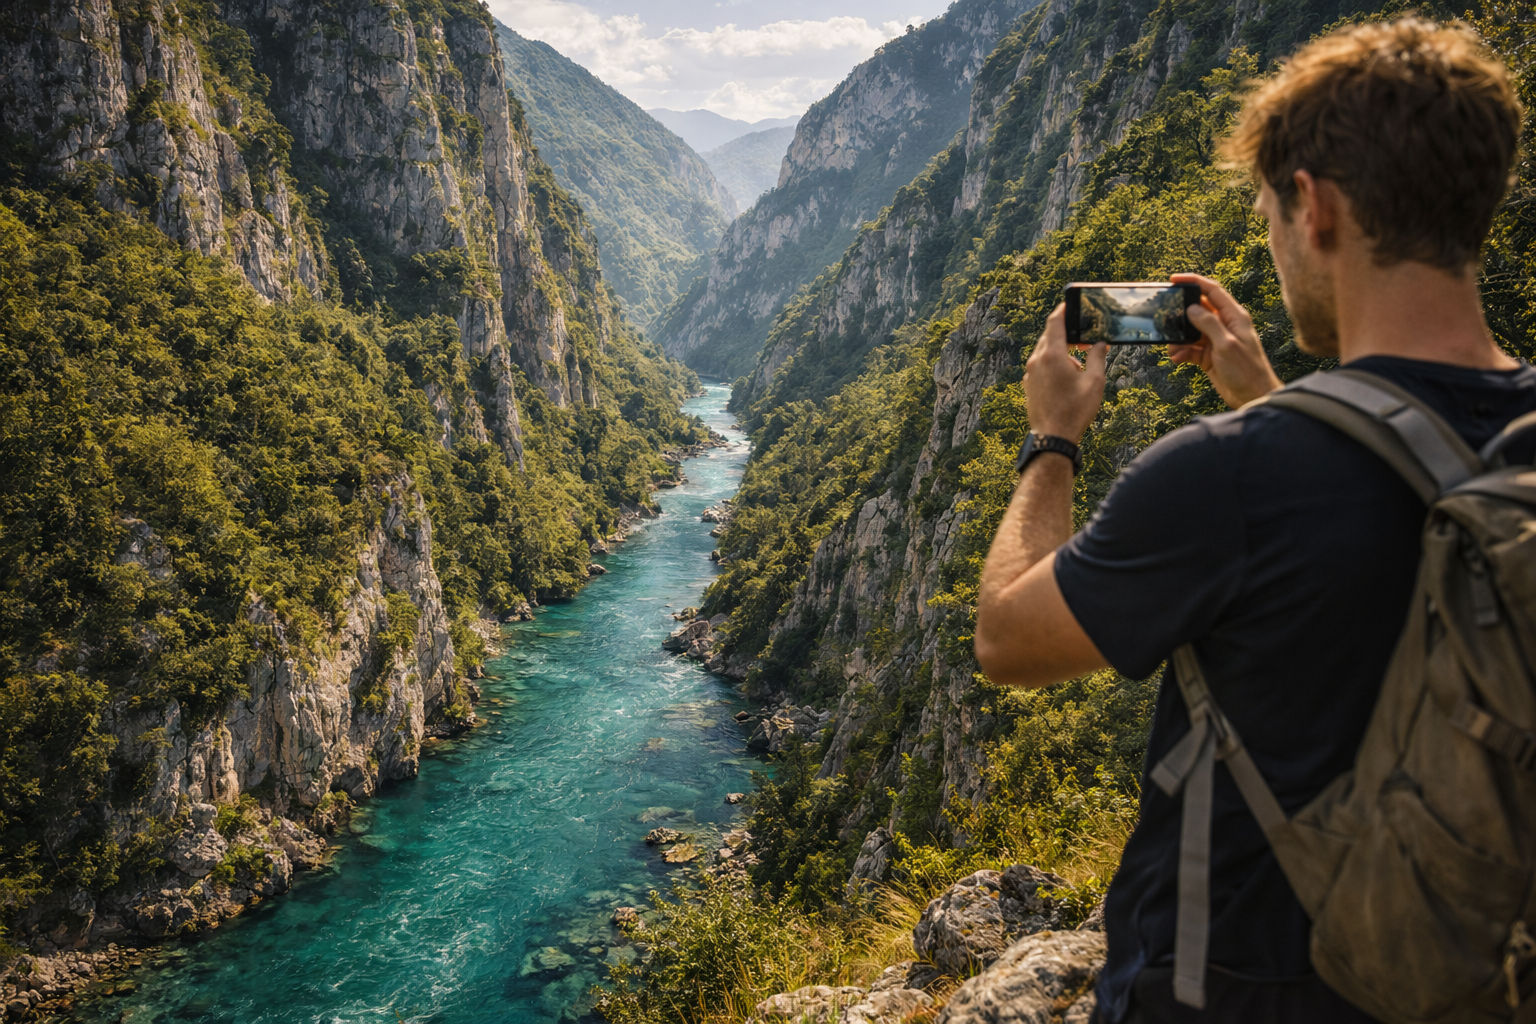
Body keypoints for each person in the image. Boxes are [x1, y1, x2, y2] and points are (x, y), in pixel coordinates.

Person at [973, 17, 1529, 1024]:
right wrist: (1268, 391)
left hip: (1231, 990)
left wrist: (1053, 438)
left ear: (1312, 208)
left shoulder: (1226, 480)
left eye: (1271, 215)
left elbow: (1008, 637)